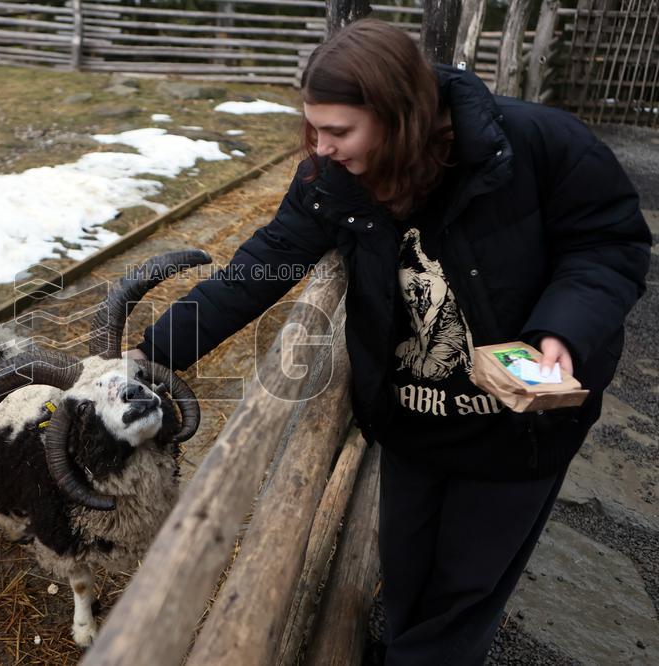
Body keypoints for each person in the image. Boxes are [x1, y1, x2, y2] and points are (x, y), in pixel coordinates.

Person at [124, 18, 651, 666]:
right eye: (313, 127)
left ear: (400, 115)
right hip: (413, 420)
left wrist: (562, 329)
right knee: (406, 567)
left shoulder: (535, 144)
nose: (320, 146)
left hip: (518, 428)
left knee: (465, 587)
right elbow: (262, 266)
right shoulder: (331, 181)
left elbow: (607, 243)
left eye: (338, 131)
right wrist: (154, 351)